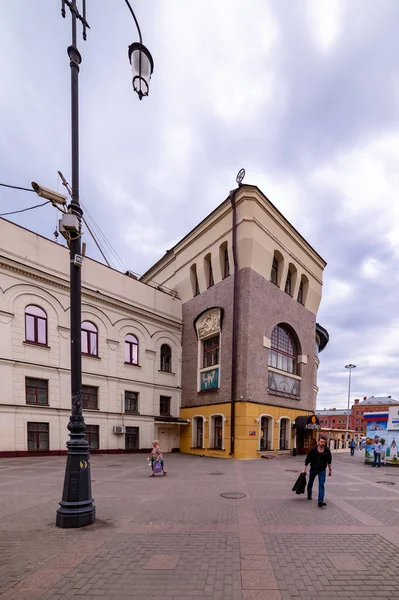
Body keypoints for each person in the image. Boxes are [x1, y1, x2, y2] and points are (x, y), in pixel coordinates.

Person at [302, 434, 332, 508]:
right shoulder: (313, 450)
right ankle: (309, 494)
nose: (322, 443)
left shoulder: (327, 450)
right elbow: (307, 459)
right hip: (313, 469)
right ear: (318, 442)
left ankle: (320, 501)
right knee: (310, 482)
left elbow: (329, 461)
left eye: (324, 442)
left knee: (321, 484)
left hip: (322, 470)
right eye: (321, 442)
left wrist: (330, 470)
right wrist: (304, 469)